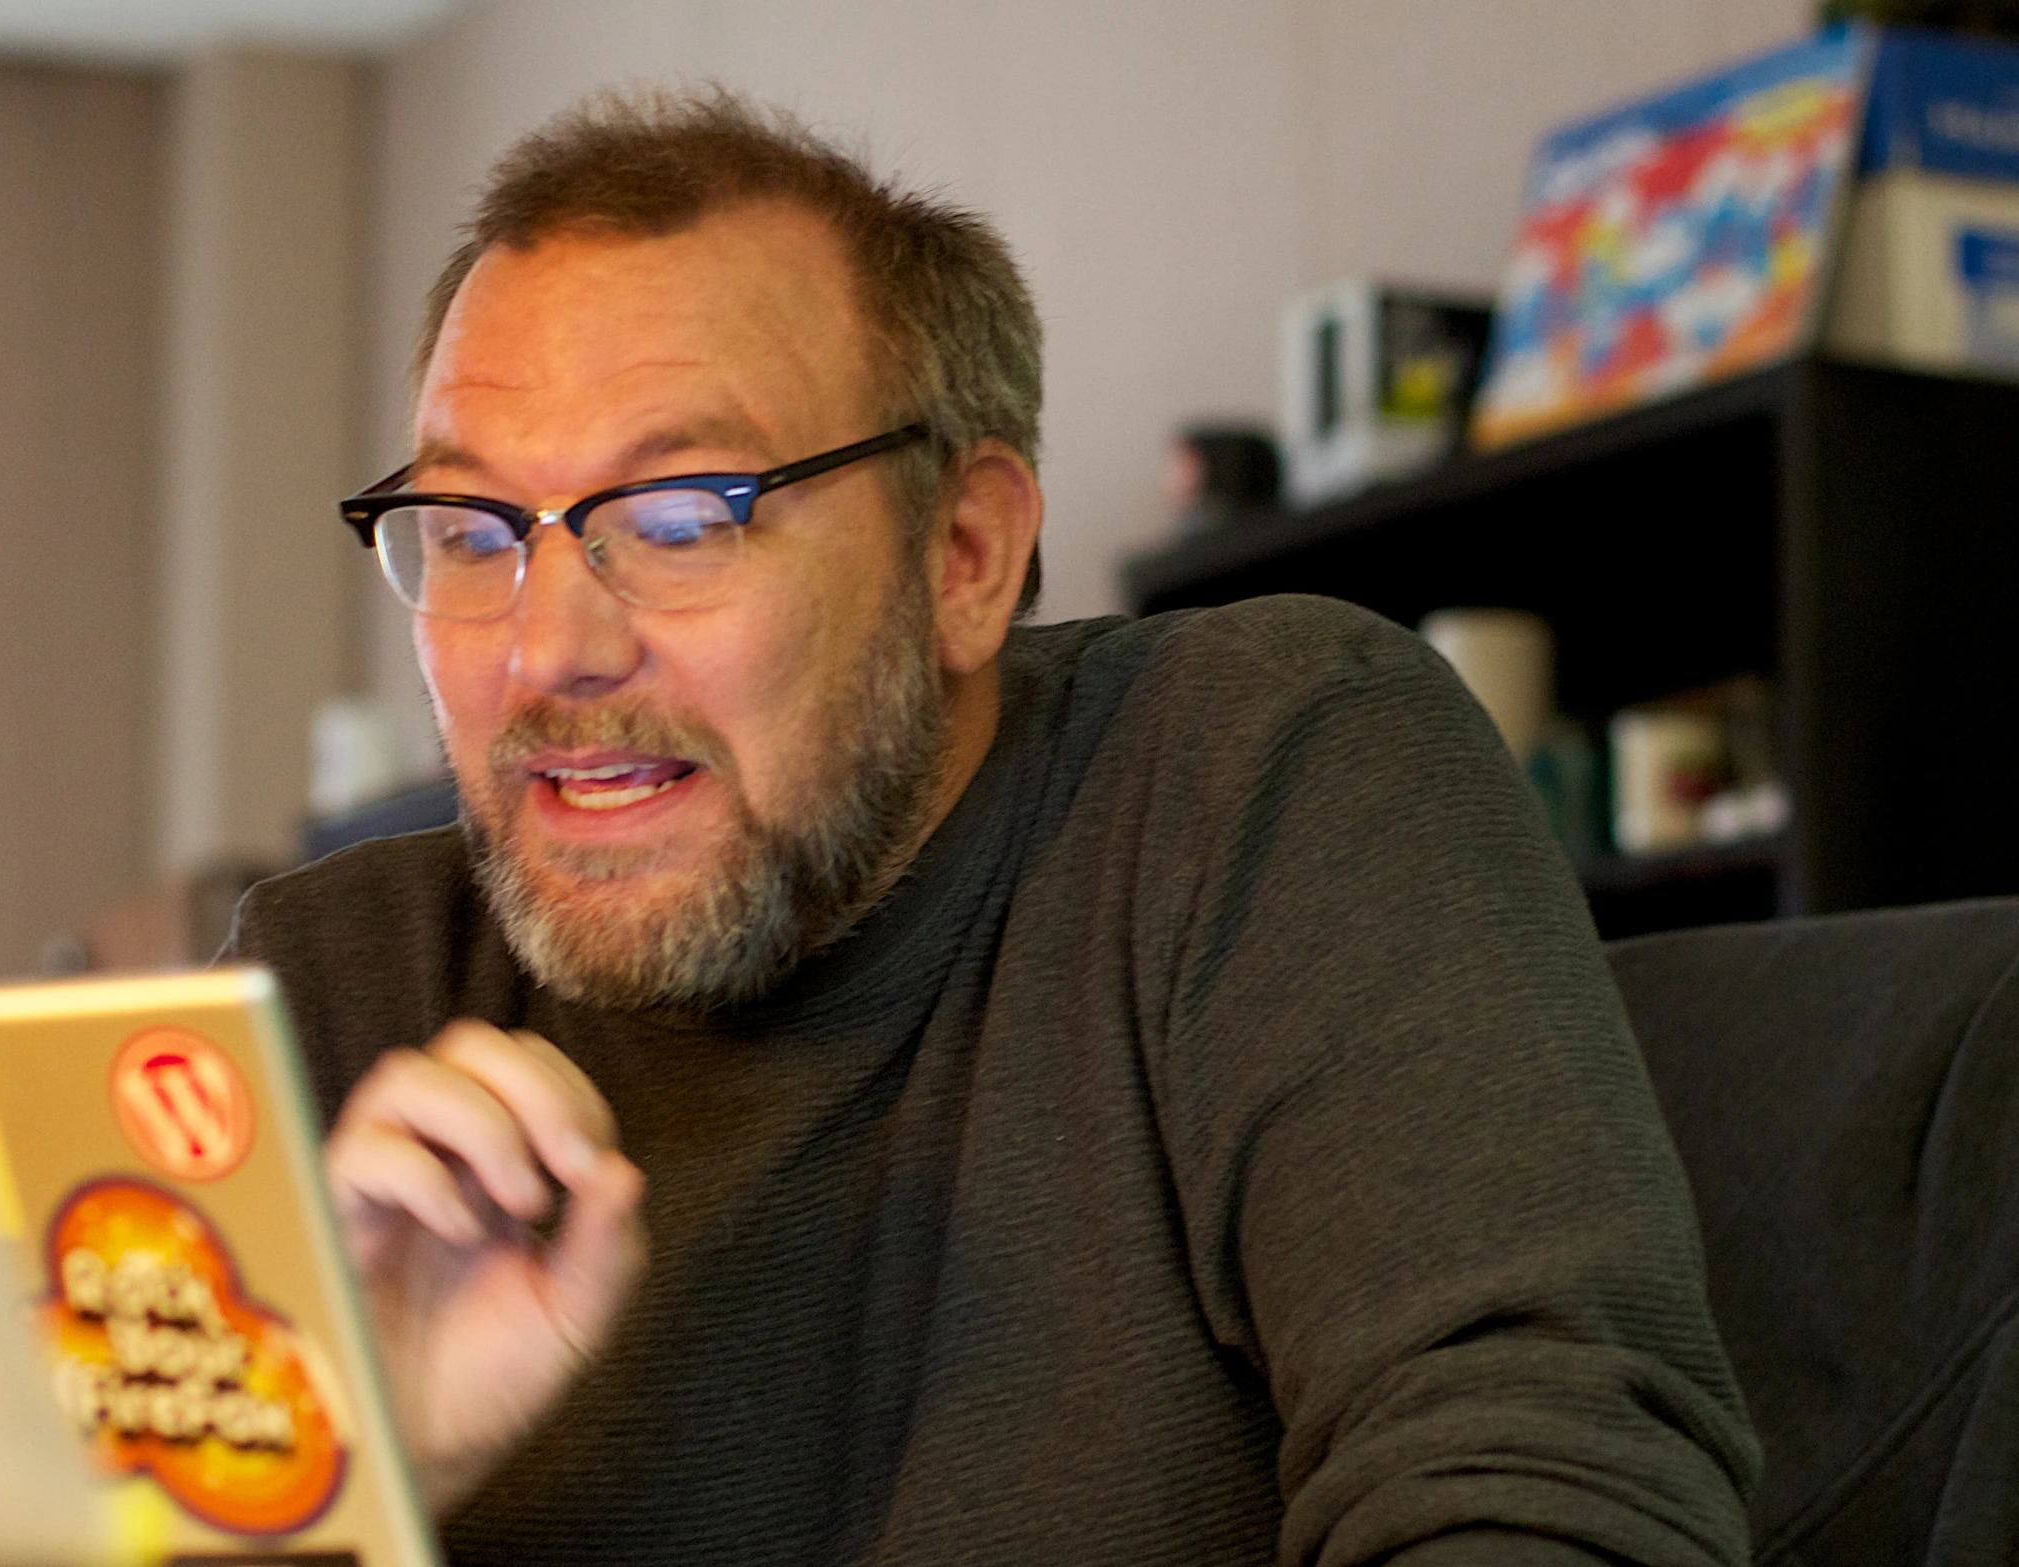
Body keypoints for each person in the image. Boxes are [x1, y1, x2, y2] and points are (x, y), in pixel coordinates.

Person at [229, 87, 1760, 1566]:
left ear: (963, 552)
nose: (544, 649)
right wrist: (337, 1490)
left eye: (682, 515)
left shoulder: (1248, 771)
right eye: (470, 530)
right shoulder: (332, 985)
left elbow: (1544, 1481)